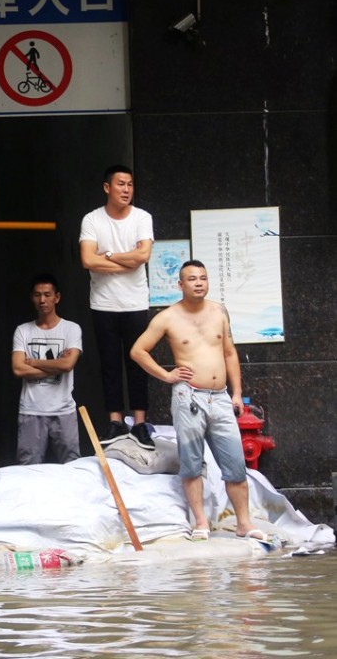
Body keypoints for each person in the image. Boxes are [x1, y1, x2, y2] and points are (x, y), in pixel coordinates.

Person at [129, 260, 263, 541]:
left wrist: (236, 392)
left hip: (221, 397)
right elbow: (138, 351)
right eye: (192, 279)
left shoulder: (218, 312)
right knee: (192, 463)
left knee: (235, 463)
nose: (199, 282)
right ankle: (200, 522)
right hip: (188, 395)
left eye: (203, 277)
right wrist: (166, 375)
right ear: (180, 285)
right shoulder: (167, 317)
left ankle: (244, 524)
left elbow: (229, 353)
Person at [79, 164, 155, 449]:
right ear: (107, 187)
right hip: (103, 303)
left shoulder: (142, 217)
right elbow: (88, 260)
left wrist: (108, 255)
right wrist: (127, 259)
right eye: (121, 184)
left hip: (135, 302)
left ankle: (139, 422)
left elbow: (143, 256)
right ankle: (115, 421)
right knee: (109, 365)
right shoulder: (92, 219)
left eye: (130, 184)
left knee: (137, 363)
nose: (126, 190)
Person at [11, 274, 83, 465]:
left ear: (56, 297)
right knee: (28, 468)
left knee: (72, 466)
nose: (42, 300)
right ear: (32, 297)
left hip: (64, 409)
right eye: (37, 295)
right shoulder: (23, 331)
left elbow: (68, 364)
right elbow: (18, 369)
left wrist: (33, 362)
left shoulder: (71, 329)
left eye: (47, 295)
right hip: (31, 410)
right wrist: (56, 366)